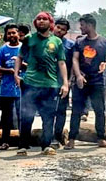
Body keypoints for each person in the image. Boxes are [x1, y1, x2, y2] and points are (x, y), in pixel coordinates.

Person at [14, 12, 69, 155]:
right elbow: (19, 57)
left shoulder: (57, 41)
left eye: (44, 19)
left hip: (50, 85)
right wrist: (16, 74)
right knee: (26, 116)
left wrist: (65, 83)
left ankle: (46, 145)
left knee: (48, 117)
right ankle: (23, 146)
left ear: (50, 22)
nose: (41, 21)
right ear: (35, 23)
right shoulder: (29, 39)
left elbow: (62, 63)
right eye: (38, 19)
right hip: (30, 84)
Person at [70, 14, 106, 149]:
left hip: (97, 81)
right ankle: (71, 139)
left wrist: (105, 65)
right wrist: (78, 76)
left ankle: (101, 138)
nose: (80, 27)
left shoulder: (104, 42)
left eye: (82, 25)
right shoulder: (79, 42)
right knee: (76, 111)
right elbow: (75, 59)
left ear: (90, 25)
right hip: (81, 81)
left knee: (100, 110)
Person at [0, 24, 23, 150]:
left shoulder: (25, 48)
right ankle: (4, 142)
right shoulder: (2, 50)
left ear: (18, 34)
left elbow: (32, 64)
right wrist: (10, 70)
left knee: (22, 115)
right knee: (6, 117)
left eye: (14, 33)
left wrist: (20, 65)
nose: (11, 35)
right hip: (6, 89)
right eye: (9, 33)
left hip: (22, 88)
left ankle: (23, 141)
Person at [52, 18, 75, 147]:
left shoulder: (70, 45)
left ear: (66, 32)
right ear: (53, 27)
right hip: (47, 82)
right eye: (58, 27)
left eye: (63, 29)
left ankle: (57, 136)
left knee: (61, 111)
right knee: (47, 111)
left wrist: (69, 80)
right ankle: (47, 136)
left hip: (63, 82)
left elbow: (72, 64)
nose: (59, 30)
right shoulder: (46, 42)